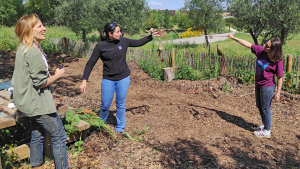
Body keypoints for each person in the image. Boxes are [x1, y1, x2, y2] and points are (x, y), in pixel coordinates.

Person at [80, 22, 161, 133]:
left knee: (121, 104)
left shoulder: (123, 41)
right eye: (117, 32)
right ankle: (100, 125)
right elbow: (90, 63)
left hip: (123, 78)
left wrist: (151, 36)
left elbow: (138, 42)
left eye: (120, 31)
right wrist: (84, 80)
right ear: (110, 33)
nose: (120, 33)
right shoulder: (101, 46)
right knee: (105, 105)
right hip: (108, 79)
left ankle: (120, 128)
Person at [12, 14, 68, 168]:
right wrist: (57, 75)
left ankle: (36, 164)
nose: (44, 29)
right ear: (29, 30)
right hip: (36, 104)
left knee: (37, 133)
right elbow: (41, 82)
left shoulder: (23, 48)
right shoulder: (33, 52)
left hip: (27, 102)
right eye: (39, 26)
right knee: (59, 135)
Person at [227, 34, 283, 138]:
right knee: (259, 105)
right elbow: (247, 44)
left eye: (268, 46)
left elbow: (280, 77)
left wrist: (278, 93)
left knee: (266, 108)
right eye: (266, 43)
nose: (265, 46)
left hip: (268, 86)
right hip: (258, 84)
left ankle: (267, 131)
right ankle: (264, 124)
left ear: (273, 49)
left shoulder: (278, 60)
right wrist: (233, 38)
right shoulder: (261, 51)